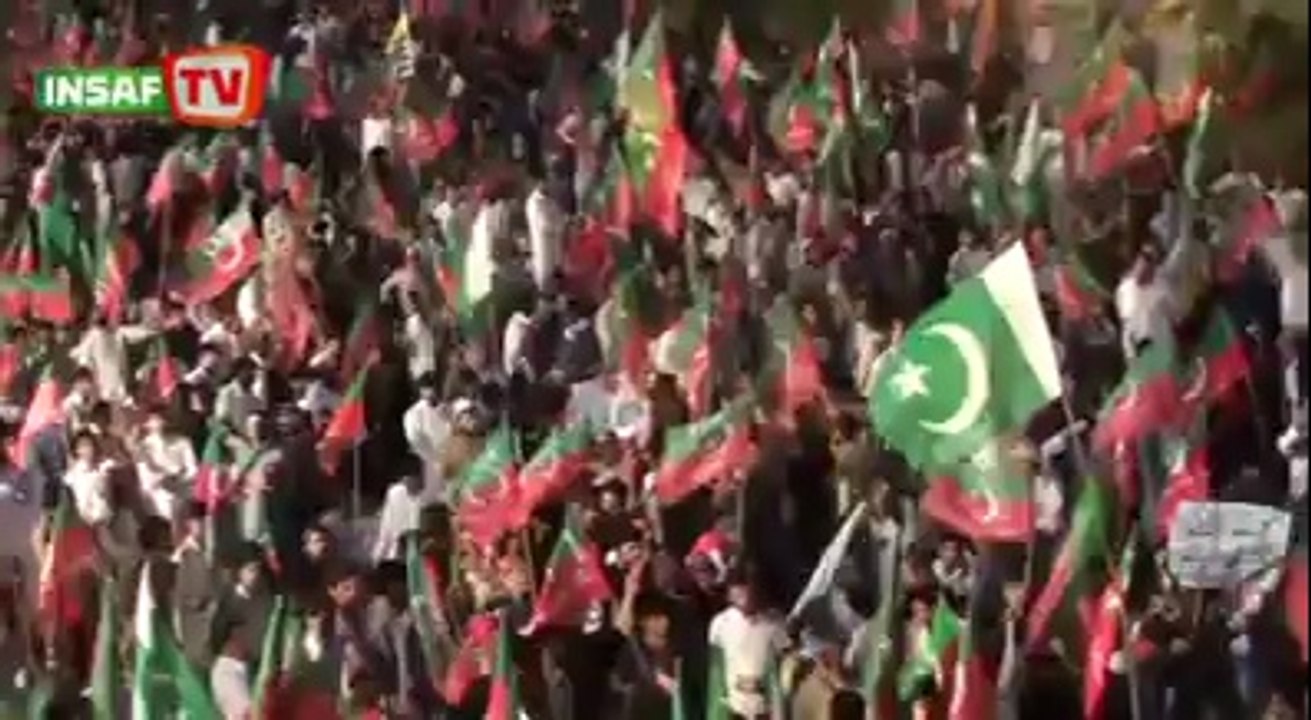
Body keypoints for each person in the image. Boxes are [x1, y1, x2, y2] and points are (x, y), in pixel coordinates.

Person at [707, 569, 787, 720]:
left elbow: (782, 660)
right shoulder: (720, 623)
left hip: (765, 706)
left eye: (747, 589)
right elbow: (716, 666)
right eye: (737, 590)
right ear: (729, 594)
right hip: (734, 705)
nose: (744, 596)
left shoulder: (773, 622)